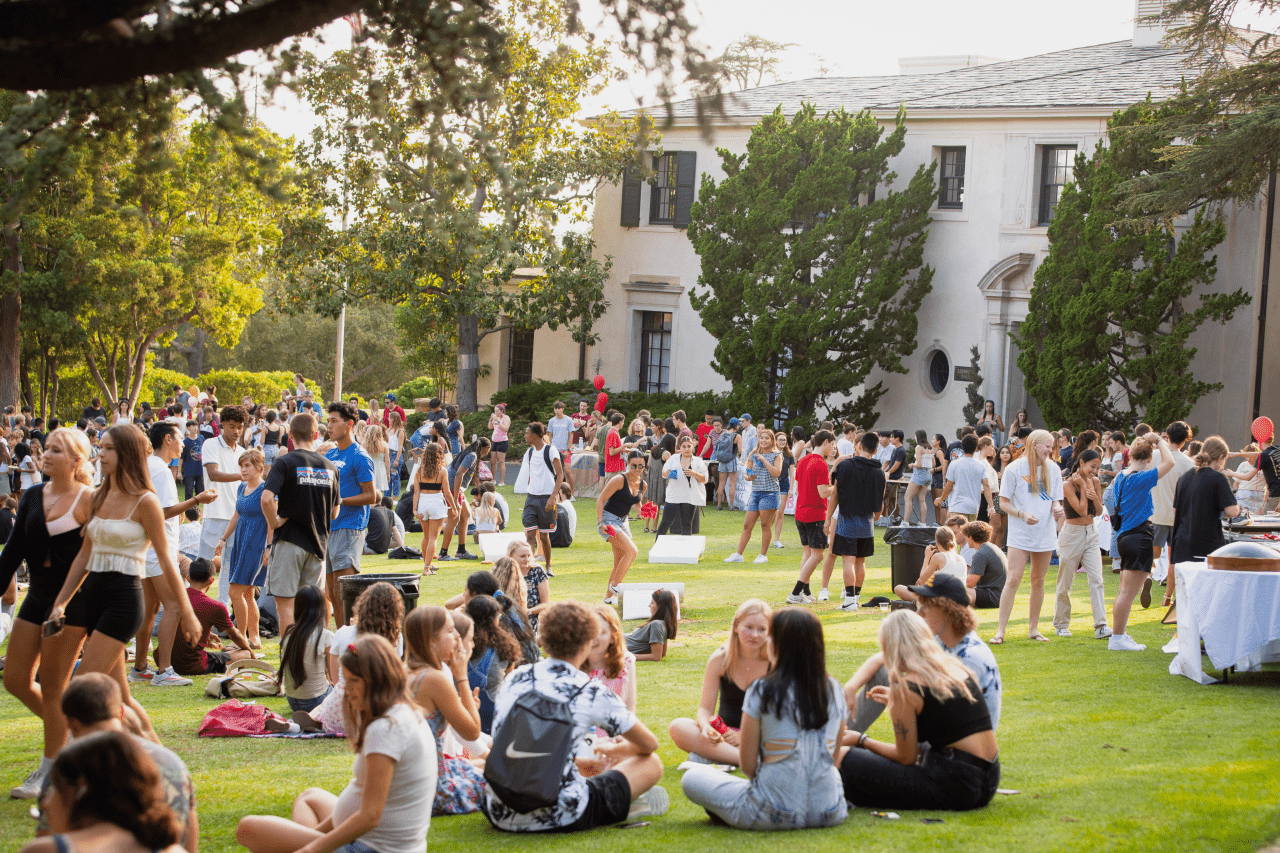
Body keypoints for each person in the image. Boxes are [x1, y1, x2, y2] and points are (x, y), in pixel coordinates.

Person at [45, 426, 202, 744]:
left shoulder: (146, 501)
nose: (99, 453)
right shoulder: (98, 494)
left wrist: (187, 611)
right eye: (99, 447)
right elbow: (84, 557)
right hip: (92, 596)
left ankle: (66, 767)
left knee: (81, 689)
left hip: (123, 600)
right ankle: (162, 765)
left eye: (108, 448)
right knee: (123, 699)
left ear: (127, 454)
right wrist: (61, 602)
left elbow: (167, 560)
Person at [237, 634, 436, 853]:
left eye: (354, 681)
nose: (346, 690)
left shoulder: (387, 729)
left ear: (377, 680)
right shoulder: (404, 714)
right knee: (310, 797)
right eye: (345, 680)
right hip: (375, 839)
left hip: (373, 847)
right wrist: (318, 839)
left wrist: (310, 849)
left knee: (248, 828)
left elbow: (369, 816)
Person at [480, 601, 668, 833]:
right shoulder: (589, 691)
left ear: (545, 638)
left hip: (499, 810)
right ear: (588, 642)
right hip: (562, 813)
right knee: (651, 764)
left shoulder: (516, 678)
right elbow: (649, 744)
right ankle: (622, 804)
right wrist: (610, 749)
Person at [0, 428, 100, 798]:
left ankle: (52, 770)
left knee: (56, 686)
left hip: (73, 601)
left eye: (57, 450)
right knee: (14, 680)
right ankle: (75, 739)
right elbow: (11, 553)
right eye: (48, 449)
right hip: (37, 595)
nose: (47, 454)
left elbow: (95, 559)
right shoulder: (30, 496)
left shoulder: (89, 498)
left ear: (77, 461)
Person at [682, 606, 846, 830]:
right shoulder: (835, 688)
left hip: (772, 811)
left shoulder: (762, 689)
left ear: (776, 644)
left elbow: (748, 766)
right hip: (831, 811)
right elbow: (834, 761)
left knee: (692, 779)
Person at [839, 609, 999, 811]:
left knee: (843, 756)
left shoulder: (906, 689)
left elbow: (905, 757)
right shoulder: (954, 668)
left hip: (957, 786)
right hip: (989, 779)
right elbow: (946, 718)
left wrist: (860, 740)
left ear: (889, 646)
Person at [50, 674, 197, 851]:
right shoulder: (172, 761)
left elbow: (50, 838)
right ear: (121, 712)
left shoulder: (70, 765)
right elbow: (190, 837)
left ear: (70, 723)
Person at [133, 423, 217, 688]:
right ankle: (164, 670)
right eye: (181, 439)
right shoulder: (159, 468)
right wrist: (197, 500)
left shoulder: (151, 465)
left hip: (149, 548)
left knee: (150, 611)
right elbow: (164, 511)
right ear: (167, 439)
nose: (184, 444)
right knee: (174, 606)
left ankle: (140, 667)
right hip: (158, 549)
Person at [21, 730, 184, 853]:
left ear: (79, 790)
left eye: (55, 787)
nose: (46, 802)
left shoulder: (47, 850)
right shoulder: (171, 850)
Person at [261, 412, 339, 635]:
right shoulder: (330, 467)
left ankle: (289, 661)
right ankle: (309, 660)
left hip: (289, 542)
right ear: (316, 434)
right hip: (317, 545)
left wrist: (274, 522)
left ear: (291, 436)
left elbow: (266, 498)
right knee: (311, 608)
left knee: (285, 605)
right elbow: (335, 512)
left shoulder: (284, 462)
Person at [403, 606, 486, 815]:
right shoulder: (434, 678)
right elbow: (472, 731)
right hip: (431, 789)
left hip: (407, 782)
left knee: (491, 766)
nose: (457, 636)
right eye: (450, 631)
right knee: (509, 778)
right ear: (431, 641)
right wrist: (461, 674)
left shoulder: (402, 670)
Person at [668, 599, 771, 765]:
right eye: (749, 627)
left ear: (769, 632)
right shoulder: (720, 659)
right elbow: (705, 709)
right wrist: (705, 727)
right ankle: (745, 759)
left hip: (763, 735)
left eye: (762, 629)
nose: (754, 635)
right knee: (678, 726)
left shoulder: (775, 663)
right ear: (736, 626)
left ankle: (716, 756)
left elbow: (783, 718)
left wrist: (743, 736)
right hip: (724, 736)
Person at [303, 581, 407, 736]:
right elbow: (393, 679)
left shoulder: (343, 633)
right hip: (373, 712)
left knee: (331, 698)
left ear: (362, 606)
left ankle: (312, 718)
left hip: (339, 708)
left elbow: (336, 680)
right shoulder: (395, 639)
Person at [992, 429, 1065, 644]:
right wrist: (1022, 514)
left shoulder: (1053, 469)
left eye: (1052, 447)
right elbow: (1003, 502)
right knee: (1013, 578)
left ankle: (1033, 629)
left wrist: (1058, 508)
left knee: (1038, 579)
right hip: (1020, 531)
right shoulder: (1014, 468)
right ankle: (1000, 631)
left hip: (1044, 531)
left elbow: (1055, 499)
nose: (1051, 451)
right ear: (1034, 445)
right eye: (1048, 447)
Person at [1109, 433, 1177, 651]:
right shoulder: (1143, 477)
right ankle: (1117, 638)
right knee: (1128, 594)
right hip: (1139, 536)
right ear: (1149, 459)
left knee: (1123, 591)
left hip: (1124, 537)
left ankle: (1119, 635)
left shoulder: (1121, 475)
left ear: (1129, 457)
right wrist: (1159, 440)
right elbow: (1170, 462)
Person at [324, 401, 377, 625]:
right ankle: (341, 637)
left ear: (349, 425)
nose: (329, 426)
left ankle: (351, 637)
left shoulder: (360, 456)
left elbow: (372, 496)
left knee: (344, 589)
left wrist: (339, 500)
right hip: (328, 528)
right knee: (329, 591)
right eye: (328, 421)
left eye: (334, 421)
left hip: (349, 527)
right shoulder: (331, 454)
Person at [215, 449, 271, 650]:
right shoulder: (241, 488)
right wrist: (223, 539)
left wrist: (269, 548)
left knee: (235, 592)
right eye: (242, 466)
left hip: (256, 546)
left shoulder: (266, 490)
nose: (243, 470)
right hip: (240, 544)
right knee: (247, 594)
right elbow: (236, 516)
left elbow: (271, 522)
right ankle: (254, 638)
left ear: (259, 467)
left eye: (247, 466)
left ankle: (240, 639)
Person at [825, 430, 887, 611]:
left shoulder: (845, 466)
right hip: (867, 521)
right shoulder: (879, 472)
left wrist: (828, 519)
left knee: (848, 562)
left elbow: (835, 494)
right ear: (876, 450)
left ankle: (850, 600)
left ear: (859, 446)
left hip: (846, 519)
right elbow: (879, 503)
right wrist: (874, 517)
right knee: (860, 562)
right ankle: (856, 597)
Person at [1053, 449, 1111, 639]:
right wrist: (1083, 488)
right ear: (1081, 463)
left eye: (1098, 467)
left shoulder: (1094, 481)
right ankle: (1061, 624)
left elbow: (1099, 510)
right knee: (1065, 582)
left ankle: (1101, 625)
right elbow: (1081, 509)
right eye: (1092, 466)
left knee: (1097, 580)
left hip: (1091, 533)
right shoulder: (1068, 484)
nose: (1095, 471)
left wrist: (1093, 493)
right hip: (1071, 535)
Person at [169, 558, 257, 676]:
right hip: (193, 665)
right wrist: (250, 652)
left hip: (165, 661)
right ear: (211, 581)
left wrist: (205, 634)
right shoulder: (215, 606)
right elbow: (234, 635)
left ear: (188, 578)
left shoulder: (173, 597)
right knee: (244, 654)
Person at [200, 405, 246, 606]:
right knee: (202, 565)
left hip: (237, 517)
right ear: (223, 425)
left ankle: (222, 608)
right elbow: (213, 474)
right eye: (232, 426)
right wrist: (241, 475)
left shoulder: (244, 452)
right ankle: (190, 604)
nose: (236, 431)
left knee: (229, 566)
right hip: (215, 514)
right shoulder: (211, 444)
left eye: (240, 427)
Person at [1170, 437, 1241, 568]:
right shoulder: (1218, 478)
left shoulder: (1184, 478)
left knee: (1187, 587)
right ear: (1221, 458)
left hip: (1182, 544)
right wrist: (1239, 507)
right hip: (1206, 544)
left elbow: (1175, 510)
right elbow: (1232, 511)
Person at [1148, 421, 1195, 608]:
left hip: (1155, 511)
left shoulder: (1153, 456)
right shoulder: (1189, 463)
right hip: (1178, 515)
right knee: (1175, 556)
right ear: (1186, 440)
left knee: (1153, 552)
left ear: (1167, 434)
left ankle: (1149, 577)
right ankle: (1168, 596)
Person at [787, 430, 835, 604]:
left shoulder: (803, 460)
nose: (832, 448)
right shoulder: (820, 463)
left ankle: (805, 592)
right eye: (832, 445)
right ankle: (796, 592)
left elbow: (800, 486)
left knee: (807, 553)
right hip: (815, 514)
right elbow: (823, 493)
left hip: (800, 512)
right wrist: (838, 487)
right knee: (817, 555)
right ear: (825, 442)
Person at [725, 428, 783, 564]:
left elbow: (777, 473)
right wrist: (748, 477)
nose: (763, 440)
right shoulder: (753, 455)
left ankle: (763, 555)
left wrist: (764, 459)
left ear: (772, 440)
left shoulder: (776, 455)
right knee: (747, 525)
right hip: (755, 493)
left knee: (765, 525)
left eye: (766, 438)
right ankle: (739, 554)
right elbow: (746, 474)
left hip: (770, 493)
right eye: (761, 437)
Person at [514, 423, 566, 575]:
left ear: (535, 435)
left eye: (527, 433)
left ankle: (548, 566)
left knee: (544, 536)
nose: (525, 435)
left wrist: (553, 497)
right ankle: (530, 567)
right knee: (530, 534)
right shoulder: (529, 452)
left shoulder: (550, 450)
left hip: (546, 499)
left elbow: (560, 475)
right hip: (531, 498)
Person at [464, 594, 520, 733]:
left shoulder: (458, 643)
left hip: (460, 712)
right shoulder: (505, 648)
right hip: (491, 717)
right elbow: (508, 683)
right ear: (494, 620)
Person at [597, 450, 646, 604]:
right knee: (632, 551)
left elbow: (636, 504)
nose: (637, 469)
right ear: (627, 464)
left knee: (619, 562)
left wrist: (645, 511)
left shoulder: (642, 484)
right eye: (634, 465)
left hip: (623, 522)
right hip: (609, 521)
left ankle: (607, 598)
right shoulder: (619, 480)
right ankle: (616, 586)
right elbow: (601, 499)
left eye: (641, 466)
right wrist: (600, 523)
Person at [279, 584, 335, 714]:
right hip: (317, 700)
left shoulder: (288, 635)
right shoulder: (326, 636)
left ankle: (308, 718)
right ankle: (316, 717)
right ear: (322, 608)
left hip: (293, 701)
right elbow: (335, 676)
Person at [437, 436, 489, 562]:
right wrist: (455, 497)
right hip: (453, 488)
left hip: (455, 488)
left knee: (465, 515)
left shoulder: (470, 453)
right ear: (486, 448)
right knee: (454, 519)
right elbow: (459, 473)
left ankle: (461, 550)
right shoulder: (472, 456)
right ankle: (443, 553)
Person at [412, 443, 458, 576]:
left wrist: (414, 509)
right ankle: (426, 568)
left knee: (426, 537)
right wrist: (454, 507)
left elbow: (416, 493)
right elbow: (447, 492)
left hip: (422, 503)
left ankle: (428, 564)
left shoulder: (419, 470)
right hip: (436, 503)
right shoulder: (442, 470)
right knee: (433, 538)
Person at [584, 603, 637, 712]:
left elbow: (630, 705)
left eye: (601, 632)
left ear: (613, 637)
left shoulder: (626, 661)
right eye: (590, 631)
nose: (594, 637)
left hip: (616, 726)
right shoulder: (574, 664)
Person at [894, 525, 966, 602]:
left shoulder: (938, 556)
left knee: (898, 588)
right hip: (960, 599)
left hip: (943, 600)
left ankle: (923, 602)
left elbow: (922, 580)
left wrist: (927, 557)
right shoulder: (961, 558)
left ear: (937, 541)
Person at [654, 435, 708, 537]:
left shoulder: (698, 461)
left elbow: (705, 479)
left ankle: (686, 551)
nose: (687, 449)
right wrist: (667, 472)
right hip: (674, 495)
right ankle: (657, 547)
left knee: (687, 524)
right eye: (684, 446)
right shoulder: (673, 459)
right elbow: (664, 474)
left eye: (689, 446)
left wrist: (695, 473)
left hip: (689, 496)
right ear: (679, 447)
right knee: (665, 522)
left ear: (693, 447)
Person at [935, 434, 993, 523]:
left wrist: (941, 498)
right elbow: (986, 486)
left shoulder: (954, 464)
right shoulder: (981, 465)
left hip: (957, 505)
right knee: (969, 534)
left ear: (963, 447)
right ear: (976, 448)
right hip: (973, 507)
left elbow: (949, 486)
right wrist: (991, 506)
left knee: (957, 534)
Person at [962, 521, 1006, 609]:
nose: (966, 540)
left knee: (953, 589)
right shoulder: (992, 547)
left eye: (967, 536)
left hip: (993, 597)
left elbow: (970, 583)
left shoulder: (981, 553)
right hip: (1001, 596)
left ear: (971, 537)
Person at [625, 588, 678, 662]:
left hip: (614, 645)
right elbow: (662, 653)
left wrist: (625, 656)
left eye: (652, 603)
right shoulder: (662, 624)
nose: (649, 605)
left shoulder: (657, 625)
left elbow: (656, 657)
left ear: (660, 607)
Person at [902, 429, 934, 526]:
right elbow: (934, 463)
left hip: (919, 474)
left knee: (907, 497)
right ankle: (923, 523)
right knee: (922, 499)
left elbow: (919, 464)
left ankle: (905, 522)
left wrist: (912, 465)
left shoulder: (918, 447)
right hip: (928, 474)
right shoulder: (930, 448)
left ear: (917, 436)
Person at [713, 418, 741, 510]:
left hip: (722, 461)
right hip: (732, 461)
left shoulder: (723, 434)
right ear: (737, 425)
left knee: (721, 483)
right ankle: (731, 506)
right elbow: (740, 450)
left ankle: (719, 505)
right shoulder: (737, 436)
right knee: (732, 484)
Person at [490, 403, 514, 485]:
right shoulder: (495, 418)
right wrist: (491, 420)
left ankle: (501, 481)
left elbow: (505, 429)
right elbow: (490, 427)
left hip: (502, 442)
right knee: (492, 461)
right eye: (494, 411)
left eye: (497, 411)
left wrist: (498, 421)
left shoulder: (506, 418)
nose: (495, 412)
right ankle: (493, 479)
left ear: (502, 411)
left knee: (501, 461)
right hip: (494, 442)